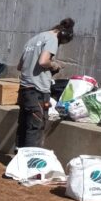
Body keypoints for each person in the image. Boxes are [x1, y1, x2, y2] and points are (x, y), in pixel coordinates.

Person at [16, 18, 75, 148]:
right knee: (35, 126)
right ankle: (32, 163)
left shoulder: (33, 40)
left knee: (24, 124)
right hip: (38, 91)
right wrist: (54, 65)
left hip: (24, 89)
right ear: (63, 35)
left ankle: (19, 158)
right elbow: (43, 61)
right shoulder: (52, 39)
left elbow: (20, 66)